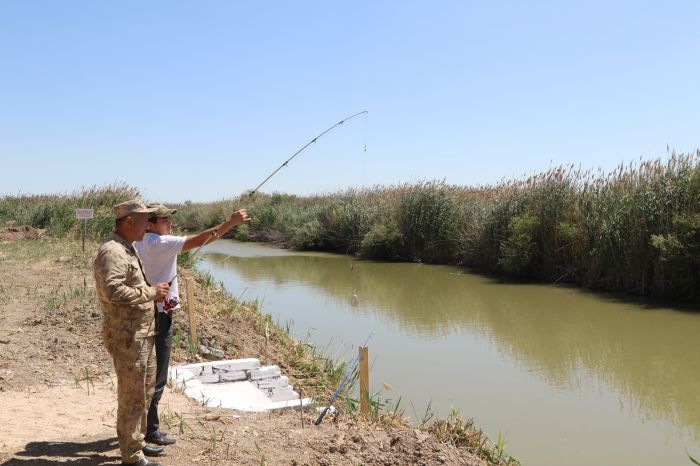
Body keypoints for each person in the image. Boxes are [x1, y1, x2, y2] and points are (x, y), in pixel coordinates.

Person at [134, 203, 251, 446]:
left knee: (147, 370)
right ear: (150, 223)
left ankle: (145, 427)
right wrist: (231, 222)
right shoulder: (160, 243)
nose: (170, 223)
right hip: (160, 314)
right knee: (158, 374)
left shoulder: (138, 243)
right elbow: (202, 239)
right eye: (165, 219)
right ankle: (149, 431)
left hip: (144, 312)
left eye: (169, 218)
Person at [94, 198, 170, 466]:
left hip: (141, 333)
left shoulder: (128, 248)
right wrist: (150, 292)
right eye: (144, 219)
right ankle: (132, 456)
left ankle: (137, 443)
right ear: (129, 221)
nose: (148, 225)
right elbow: (112, 290)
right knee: (132, 397)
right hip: (128, 338)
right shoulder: (112, 251)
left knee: (144, 392)